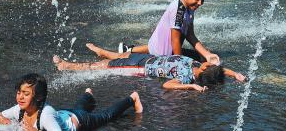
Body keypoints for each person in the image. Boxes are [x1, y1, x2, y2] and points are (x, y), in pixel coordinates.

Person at [53, 43, 247, 92]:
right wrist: (235, 74)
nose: (209, 61)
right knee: (122, 55)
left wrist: (190, 87)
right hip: (148, 58)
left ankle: (67, 66)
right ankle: (102, 51)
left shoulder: (187, 77)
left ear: (204, 71)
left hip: (139, 68)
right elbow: (219, 71)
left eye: (208, 65)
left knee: (104, 67)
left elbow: (167, 86)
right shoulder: (199, 66)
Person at [118, 0, 221, 65]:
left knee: (204, 57)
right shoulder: (178, 10)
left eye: (202, 0)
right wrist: (179, 63)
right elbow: (175, 40)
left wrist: (206, 54)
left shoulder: (190, 8)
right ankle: (123, 53)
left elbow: (190, 35)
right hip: (162, 57)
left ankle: (129, 50)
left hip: (164, 50)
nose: (200, 3)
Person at [0, 73, 142, 131]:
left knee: (105, 117)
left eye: (26, 94)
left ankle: (132, 98)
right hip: (65, 115)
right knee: (78, 108)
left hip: (80, 120)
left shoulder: (45, 115)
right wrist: (6, 121)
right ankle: (88, 95)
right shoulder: (18, 110)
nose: (20, 97)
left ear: (38, 97)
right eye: (19, 93)